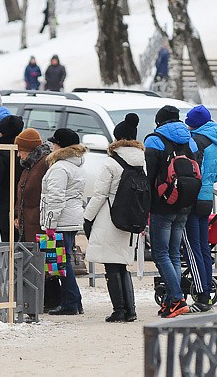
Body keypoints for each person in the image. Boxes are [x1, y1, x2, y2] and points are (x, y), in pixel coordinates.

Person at [84, 113, 143, 322]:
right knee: (122, 264)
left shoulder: (111, 163)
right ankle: (131, 310)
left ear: (117, 139)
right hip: (130, 218)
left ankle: (119, 310)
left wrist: (88, 217)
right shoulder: (141, 161)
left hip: (110, 218)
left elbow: (100, 194)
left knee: (111, 265)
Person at [145, 105, 199, 318]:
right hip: (185, 203)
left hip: (162, 204)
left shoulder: (154, 140)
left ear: (159, 121)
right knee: (174, 254)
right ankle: (170, 301)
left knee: (161, 254)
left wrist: (147, 203)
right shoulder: (190, 140)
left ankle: (177, 298)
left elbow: (149, 175)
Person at [14, 127, 60, 312]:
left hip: (40, 223)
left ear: (29, 149)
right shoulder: (30, 165)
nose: (18, 155)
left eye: (20, 150)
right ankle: (40, 300)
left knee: (46, 262)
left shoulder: (43, 164)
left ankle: (52, 300)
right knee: (35, 261)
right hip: (29, 221)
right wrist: (18, 213)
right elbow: (23, 193)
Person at [183, 105, 217, 312]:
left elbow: (190, 171)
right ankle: (207, 290)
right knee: (203, 246)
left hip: (193, 197)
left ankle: (202, 295)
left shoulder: (194, 141)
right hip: (207, 199)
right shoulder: (216, 141)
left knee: (192, 248)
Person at [41, 128, 86, 316]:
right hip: (71, 218)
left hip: (60, 220)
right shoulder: (76, 165)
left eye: (54, 143)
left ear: (61, 146)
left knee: (61, 261)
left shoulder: (60, 168)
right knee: (62, 260)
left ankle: (71, 302)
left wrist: (49, 224)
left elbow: (55, 198)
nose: (52, 145)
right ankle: (74, 301)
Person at [0, 115, 24, 242]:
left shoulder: (1, 152)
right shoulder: (23, 151)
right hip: (19, 203)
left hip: (2, 205)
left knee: (3, 243)